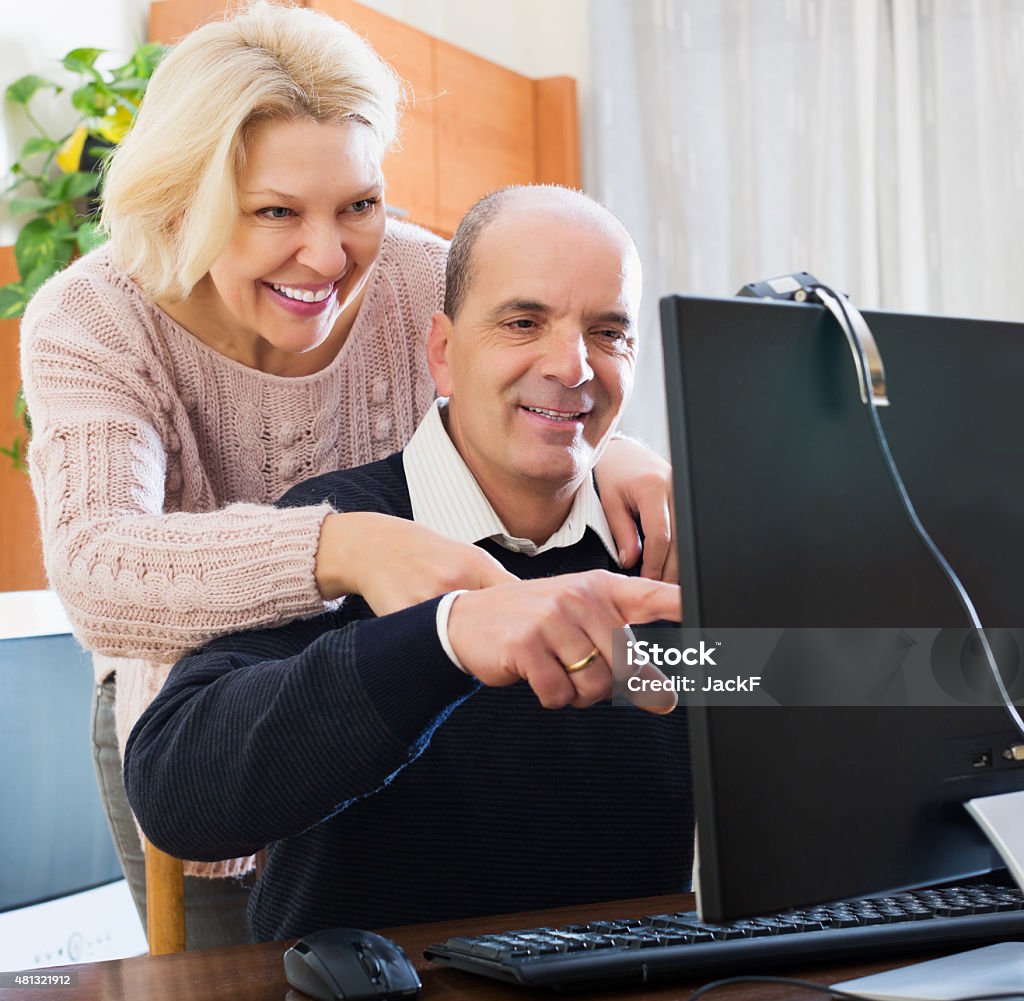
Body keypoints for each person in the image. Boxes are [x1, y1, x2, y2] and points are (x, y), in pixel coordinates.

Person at [19, 1, 676, 950]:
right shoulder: (94, 320)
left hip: (412, 694)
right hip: (212, 708)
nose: (330, 257)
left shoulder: (419, 279)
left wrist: (607, 444)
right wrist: (343, 544)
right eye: (276, 211)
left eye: (359, 206)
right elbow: (95, 567)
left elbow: (545, 351)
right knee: (248, 961)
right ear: (187, 198)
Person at [124, 184, 694, 942]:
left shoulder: (665, 550)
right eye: (524, 322)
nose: (573, 365)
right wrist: (444, 639)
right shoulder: (329, 535)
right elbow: (178, 789)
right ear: (444, 353)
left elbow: (798, 707)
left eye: (607, 332)